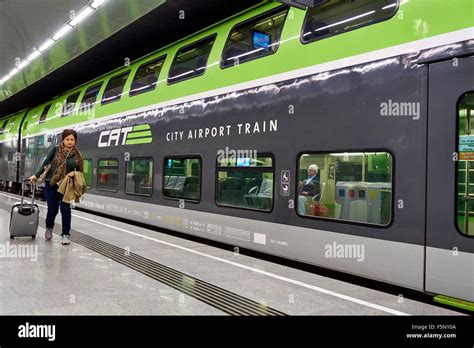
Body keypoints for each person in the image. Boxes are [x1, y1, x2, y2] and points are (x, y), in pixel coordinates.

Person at [29, 129, 84, 245]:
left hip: (66, 185)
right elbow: (45, 163)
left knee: (66, 209)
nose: (69, 142)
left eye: (72, 140)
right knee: (53, 209)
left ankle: (65, 235)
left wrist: (75, 174)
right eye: (67, 139)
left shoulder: (77, 154)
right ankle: (49, 227)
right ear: (63, 140)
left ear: (75, 141)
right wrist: (36, 175)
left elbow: (80, 172)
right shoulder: (56, 149)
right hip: (51, 183)